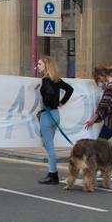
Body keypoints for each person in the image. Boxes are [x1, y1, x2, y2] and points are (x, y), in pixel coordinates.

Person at [84, 66, 112, 181]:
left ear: (101, 76)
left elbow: (104, 107)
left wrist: (93, 120)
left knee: (98, 146)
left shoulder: (110, 88)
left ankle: (99, 171)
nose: (99, 82)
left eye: (98, 80)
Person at [36, 55, 74, 184]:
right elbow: (70, 89)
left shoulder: (46, 80)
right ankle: (53, 173)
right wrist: (61, 102)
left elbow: (50, 94)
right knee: (49, 145)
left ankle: (53, 174)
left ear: (46, 66)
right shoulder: (56, 79)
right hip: (56, 114)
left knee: (50, 146)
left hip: (47, 115)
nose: (38, 66)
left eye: (40, 64)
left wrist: (48, 102)